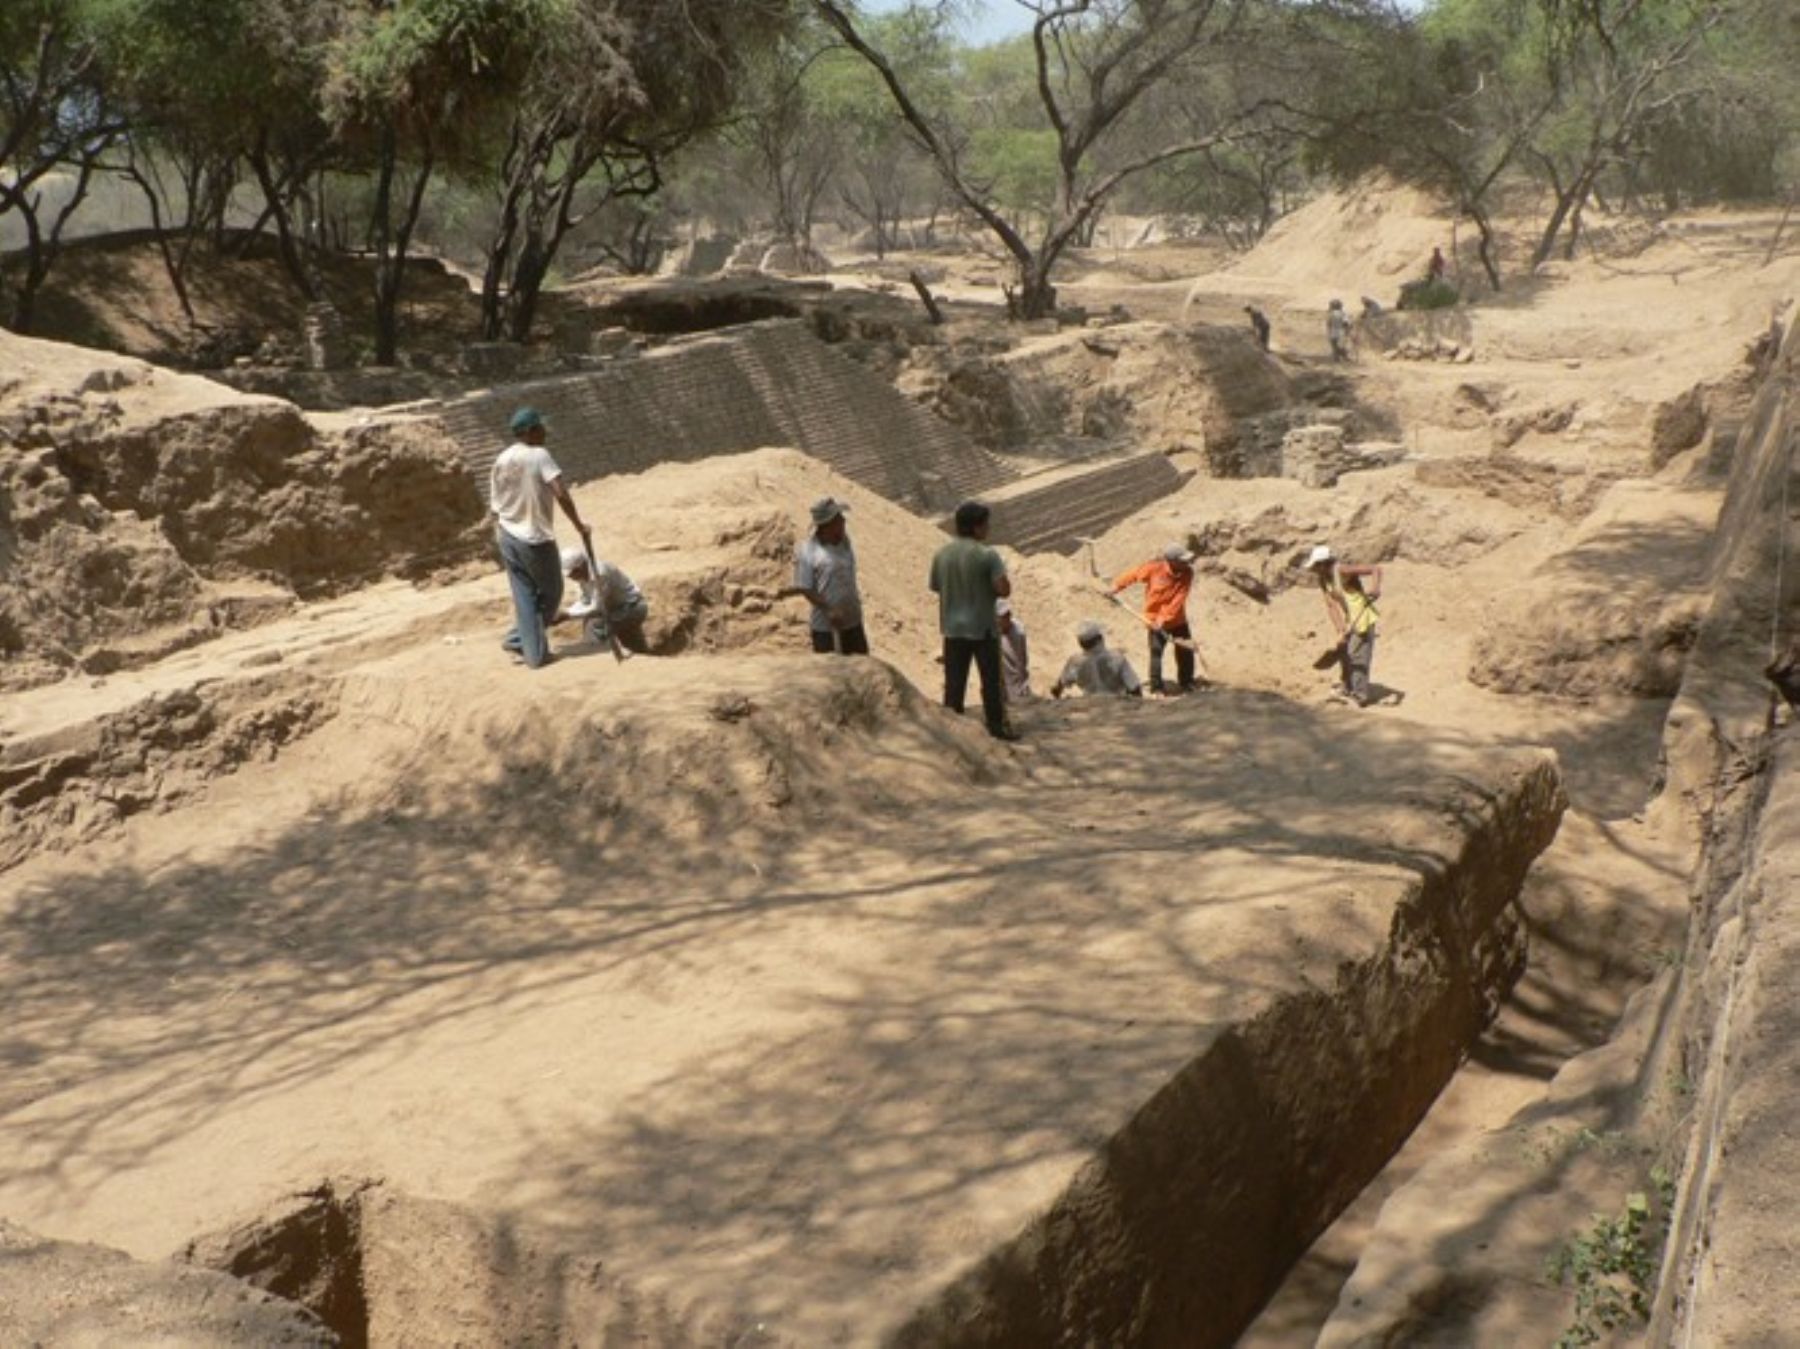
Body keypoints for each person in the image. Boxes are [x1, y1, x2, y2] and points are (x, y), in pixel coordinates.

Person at [490, 406, 592, 669]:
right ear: (531, 431)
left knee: (524, 593)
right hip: (534, 537)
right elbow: (560, 492)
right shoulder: (539, 455)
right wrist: (579, 525)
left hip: (507, 534)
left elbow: (495, 506)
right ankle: (527, 647)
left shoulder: (502, 459)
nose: (545, 432)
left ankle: (523, 643)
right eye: (541, 427)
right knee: (551, 592)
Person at [929, 500, 1016, 740]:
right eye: (986, 524)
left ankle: (951, 732)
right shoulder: (988, 555)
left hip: (953, 628)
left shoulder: (941, 554)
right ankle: (997, 727)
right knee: (991, 682)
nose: (988, 528)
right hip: (983, 629)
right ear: (976, 527)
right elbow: (1003, 589)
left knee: (954, 684)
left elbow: (935, 586)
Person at [1111, 543, 1198, 696]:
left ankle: (1187, 682)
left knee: (1185, 651)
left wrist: (1163, 620)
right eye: (1183, 561)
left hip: (1177, 620)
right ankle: (1156, 687)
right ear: (1172, 561)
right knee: (1156, 653)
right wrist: (1116, 587)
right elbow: (1134, 575)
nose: (1187, 563)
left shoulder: (1188, 573)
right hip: (1153, 620)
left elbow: (1178, 600)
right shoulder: (1154, 569)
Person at [1306, 543, 1383, 707]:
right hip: (1350, 619)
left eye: (1316, 566)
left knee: (1357, 655)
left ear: (1323, 563)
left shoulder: (1342, 570)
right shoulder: (1323, 580)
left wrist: (1375, 588)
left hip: (1363, 617)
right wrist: (1340, 630)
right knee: (1344, 653)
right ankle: (1347, 687)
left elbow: (1375, 569)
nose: (1314, 570)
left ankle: (1360, 695)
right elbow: (1331, 606)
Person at [794, 497, 868, 655]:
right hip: (827, 630)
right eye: (839, 519)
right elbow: (805, 588)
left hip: (853, 622)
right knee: (834, 669)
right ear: (827, 525)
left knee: (861, 667)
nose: (844, 521)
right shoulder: (808, 551)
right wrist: (828, 609)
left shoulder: (845, 543)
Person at [561, 546, 649, 655]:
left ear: (580, 566)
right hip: (616, 609)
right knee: (633, 644)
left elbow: (597, 608)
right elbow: (585, 601)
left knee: (594, 625)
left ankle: (598, 655)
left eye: (572, 573)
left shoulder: (600, 574)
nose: (570, 577)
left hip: (632, 608)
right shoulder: (583, 577)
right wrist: (567, 611)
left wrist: (567, 615)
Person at [1051, 622, 1143, 698]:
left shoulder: (1075, 661)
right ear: (1100, 639)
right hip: (1116, 702)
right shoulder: (1117, 658)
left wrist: (1057, 693)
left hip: (1089, 702)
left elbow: (1060, 685)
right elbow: (1134, 687)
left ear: (1081, 643)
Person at [997, 598, 1031, 703]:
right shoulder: (992, 633)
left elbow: (1022, 658)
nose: (1007, 617)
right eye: (1003, 616)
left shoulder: (1018, 630)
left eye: (1008, 614)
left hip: (1018, 683)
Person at [1327, 298, 1352, 362]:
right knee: (1341, 346)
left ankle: (1336, 358)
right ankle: (1345, 357)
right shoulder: (1343, 313)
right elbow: (1346, 323)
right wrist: (1348, 331)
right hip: (1341, 332)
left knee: (1334, 345)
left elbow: (1329, 324)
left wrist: (1329, 332)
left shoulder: (1331, 314)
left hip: (1333, 332)